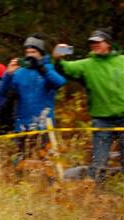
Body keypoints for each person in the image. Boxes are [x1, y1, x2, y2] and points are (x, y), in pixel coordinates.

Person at [54, 29, 124, 184]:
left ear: (108, 43)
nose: (95, 45)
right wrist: (58, 58)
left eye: (98, 42)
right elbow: (65, 69)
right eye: (92, 43)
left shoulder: (122, 61)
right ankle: (95, 195)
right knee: (99, 160)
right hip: (102, 119)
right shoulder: (86, 65)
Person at [0, 35, 66, 132]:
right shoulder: (19, 72)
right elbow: (3, 92)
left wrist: (42, 69)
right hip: (22, 125)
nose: (30, 55)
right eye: (27, 52)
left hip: (44, 123)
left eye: (33, 52)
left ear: (41, 54)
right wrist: (8, 74)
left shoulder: (48, 68)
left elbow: (60, 82)